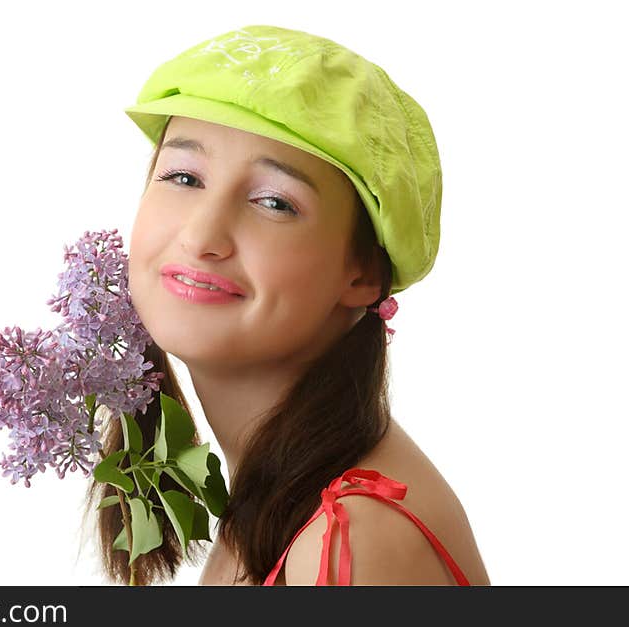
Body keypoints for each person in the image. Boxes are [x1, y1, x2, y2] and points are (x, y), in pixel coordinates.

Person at [86, 25, 490, 586]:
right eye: (183, 176)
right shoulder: (277, 502)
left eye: (274, 202)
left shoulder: (353, 538)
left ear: (365, 272)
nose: (202, 235)